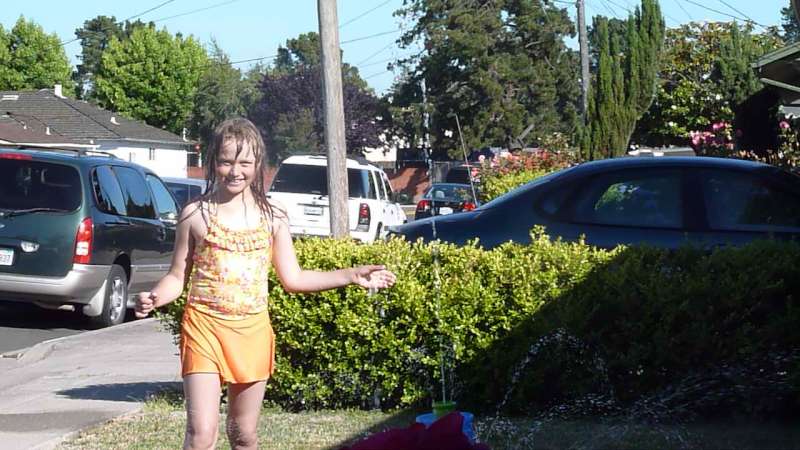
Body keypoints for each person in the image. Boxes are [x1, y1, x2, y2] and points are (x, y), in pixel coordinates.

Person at [134, 118, 396, 450]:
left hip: (252, 331)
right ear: (213, 161)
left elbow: (294, 278)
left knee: (243, 433)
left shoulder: (273, 216)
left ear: (258, 164)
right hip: (204, 328)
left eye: (244, 162)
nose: (235, 171)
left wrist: (350, 275)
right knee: (201, 433)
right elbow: (176, 277)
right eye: (226, 161)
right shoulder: (195, 214)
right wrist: (155, 296)